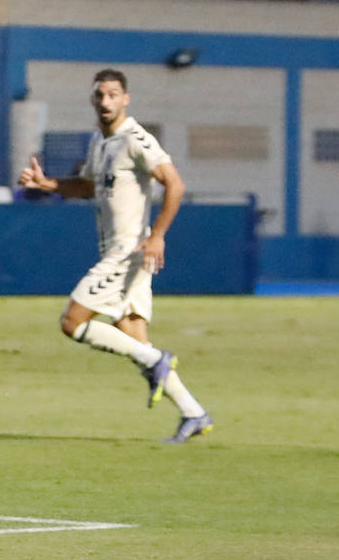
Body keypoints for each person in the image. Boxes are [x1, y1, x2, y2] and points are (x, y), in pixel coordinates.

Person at [17, 68, 212, 444]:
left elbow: (174, 183)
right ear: (93, 100)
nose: (106, 102)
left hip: (128, 253)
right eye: (100, 95)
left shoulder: (135, 138)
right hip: (119, 252)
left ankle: (157, 362)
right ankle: (194, 412)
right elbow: (87, 186)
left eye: (113, 95)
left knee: (72, 322)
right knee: (134, 338)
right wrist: (49, 184)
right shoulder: (100, 142)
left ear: (125, 99)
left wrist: (157, 236)